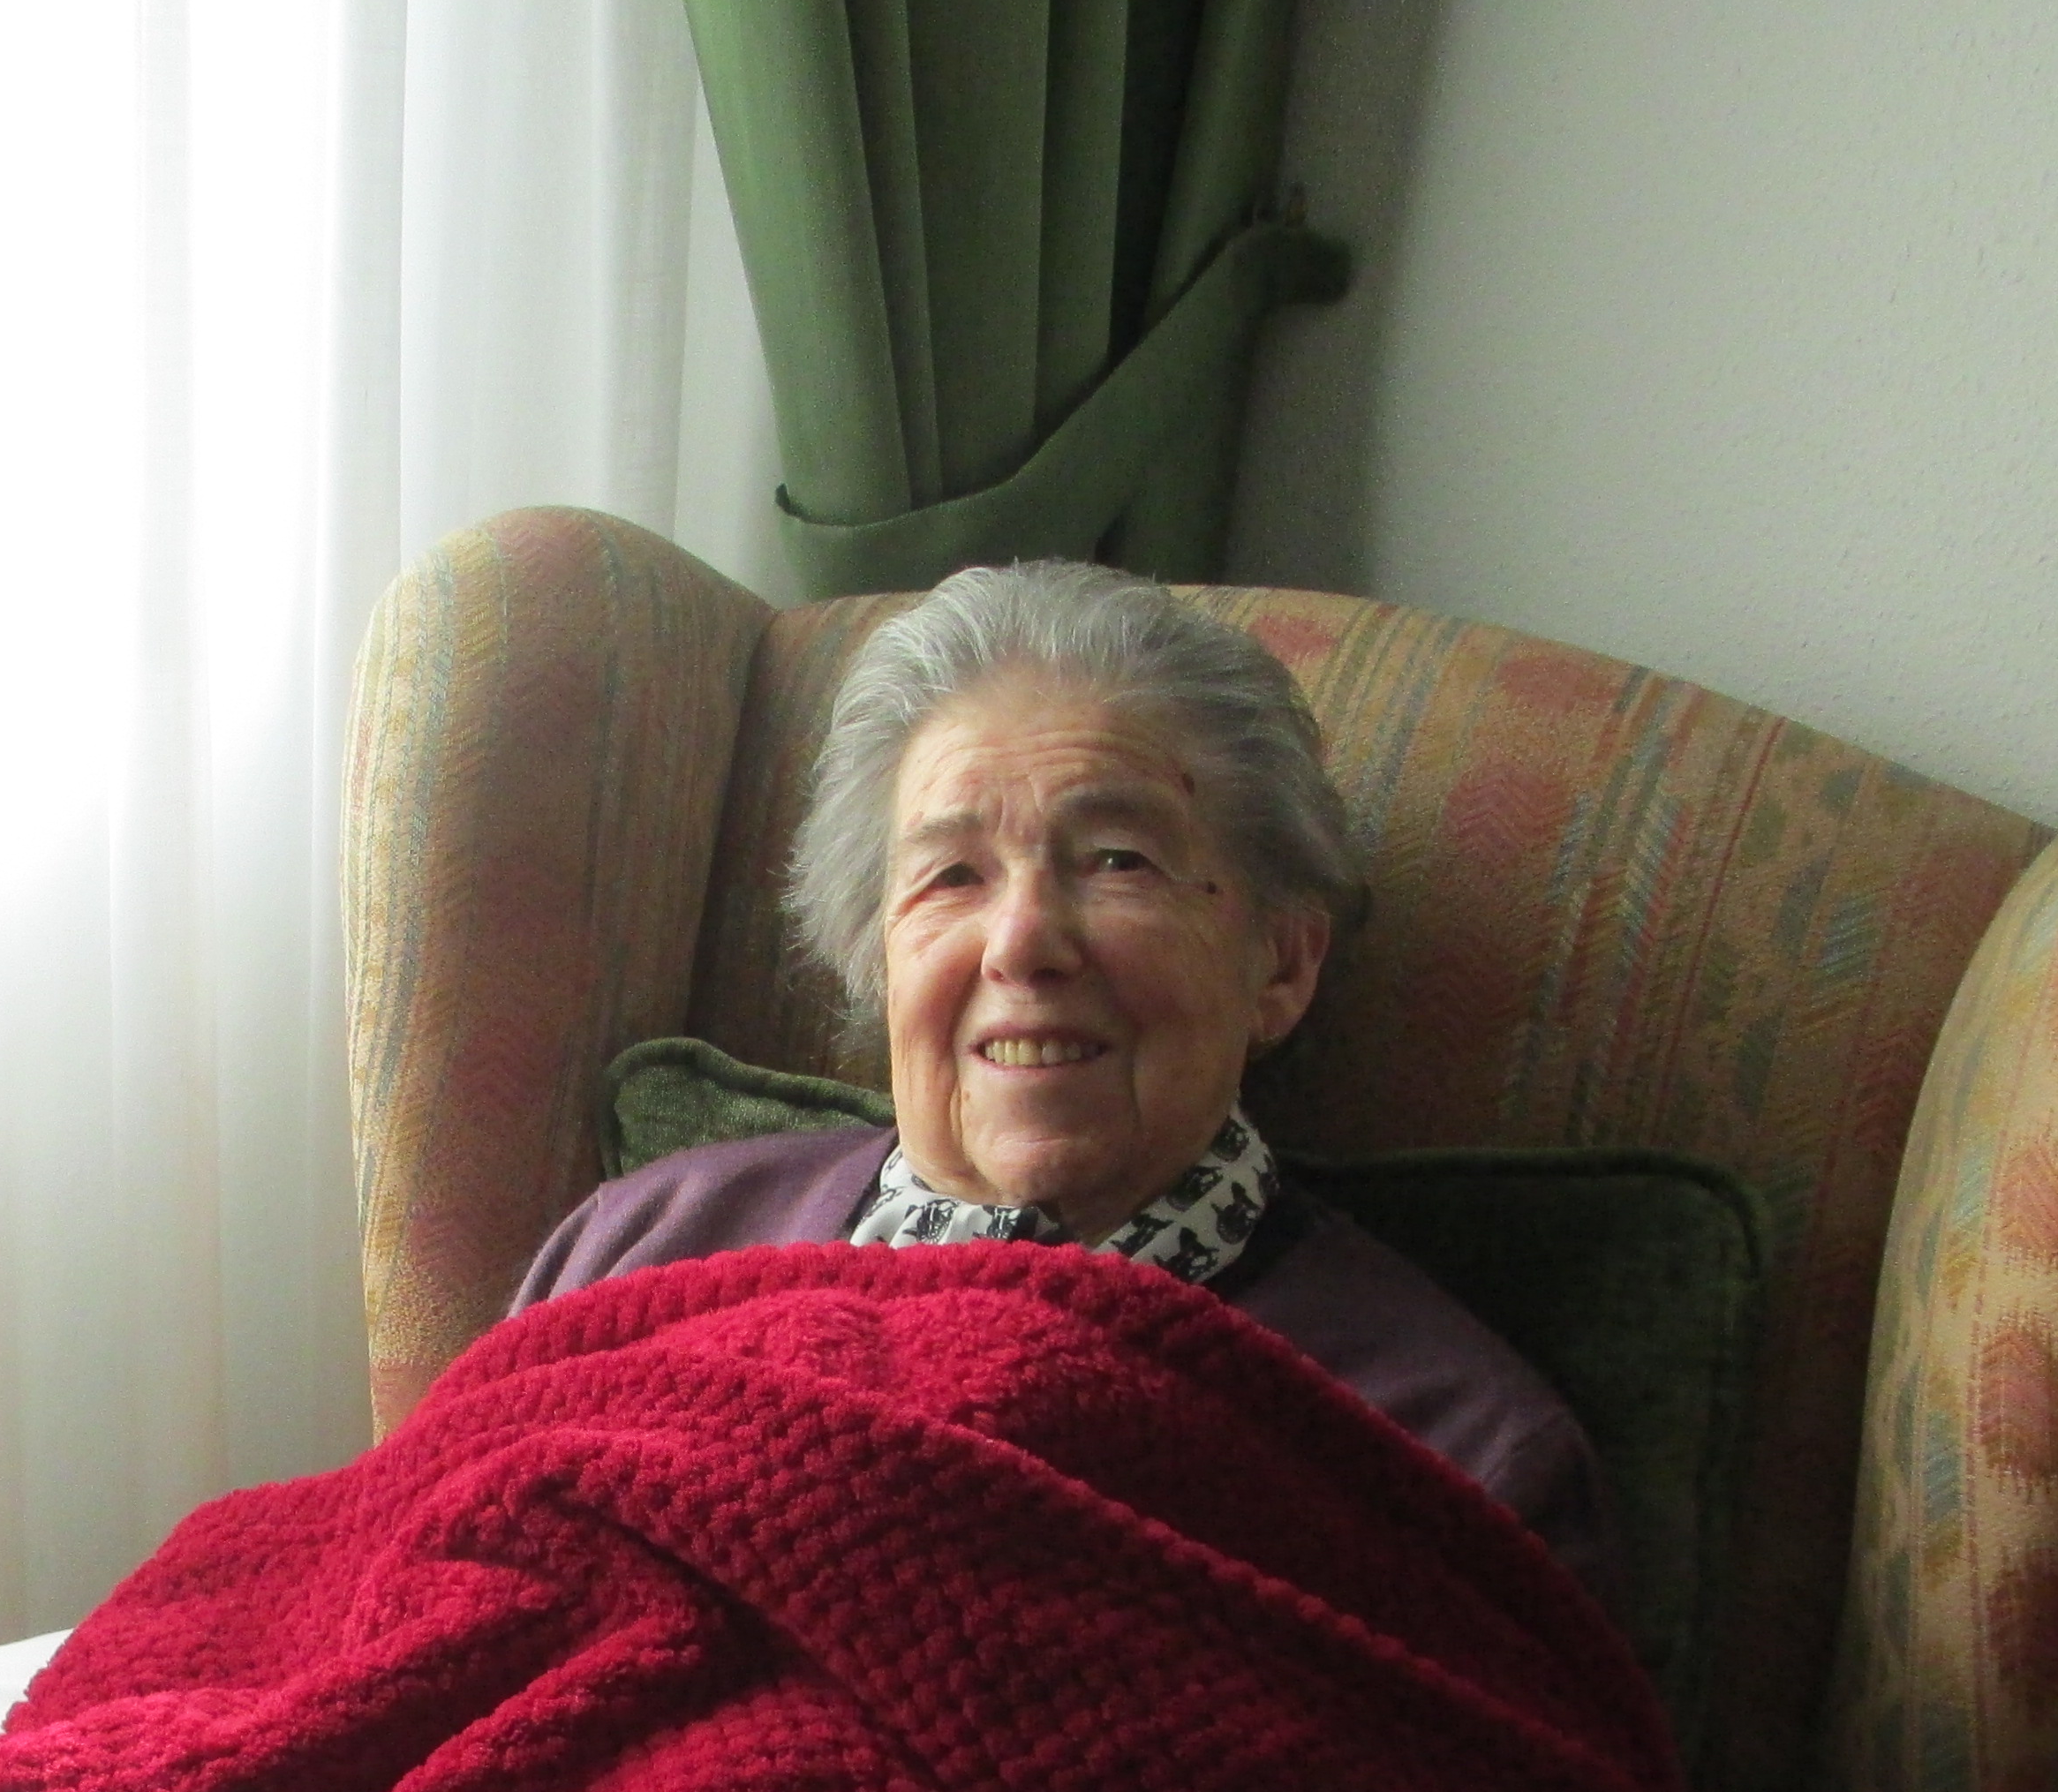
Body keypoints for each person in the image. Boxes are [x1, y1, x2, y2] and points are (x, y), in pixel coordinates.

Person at [510, 557, 1613, 1602]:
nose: (1023, 942)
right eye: (953, 875)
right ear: (876, 958)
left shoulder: (1453, 1454)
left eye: (1117, 861)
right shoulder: (642, 1246)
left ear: (1281, 965)